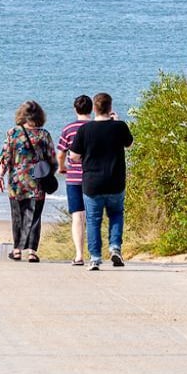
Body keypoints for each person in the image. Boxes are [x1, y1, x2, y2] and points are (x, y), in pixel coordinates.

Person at [69, 92, 133, 271]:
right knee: (116, 214)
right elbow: (130, 144)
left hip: (92, 182)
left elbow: (74, 156)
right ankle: (114, 247)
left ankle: (95, 258)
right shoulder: (119, 126)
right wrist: (117, 121)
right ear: (110, 108)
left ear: (94, 109)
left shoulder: (85, 130)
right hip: (115, 180)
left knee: (93, 220)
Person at [0, 100, 58, 262]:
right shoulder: (44, 135)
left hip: (17, 183)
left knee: (17, 216)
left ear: (21, 114)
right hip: (37, 182)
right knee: (35, 216)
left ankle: (17, 250)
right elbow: (52, 159)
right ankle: (31, 252)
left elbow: (5, 158)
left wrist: (0, 176)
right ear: (40, 115)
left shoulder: (13, 133)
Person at [54, 94, 93, 266]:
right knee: (93, 216)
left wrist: (61, 167)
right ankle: (95, 254)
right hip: (93, 176)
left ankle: (79, 255)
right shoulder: (95, 127)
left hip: (74, 177)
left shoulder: (69, 129)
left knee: (77, 216)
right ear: (91, 109)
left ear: (75, 109)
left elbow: (61, 153)